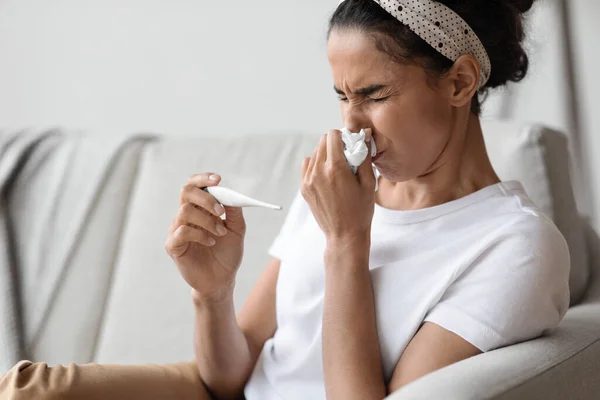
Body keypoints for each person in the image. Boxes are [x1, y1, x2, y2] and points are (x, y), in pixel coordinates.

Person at [0, 0, 570, 399]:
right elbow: (227, 378)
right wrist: (213, 292)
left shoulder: (515, 245)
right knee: (25, 389)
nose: (351, 126)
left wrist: (348, 241)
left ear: (459, 82)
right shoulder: (340, 188)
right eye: (342, 97)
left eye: (373, 95)